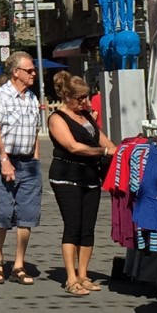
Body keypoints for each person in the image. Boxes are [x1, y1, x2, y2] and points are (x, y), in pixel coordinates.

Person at [48, 72, 116, 296]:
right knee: (73, 226)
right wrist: (104, 152)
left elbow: (103, 140)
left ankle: (83, 275)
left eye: (86, 97)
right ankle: (70, 278)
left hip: (89, 176)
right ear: (67, 96)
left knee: (88, 228)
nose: (84, 102)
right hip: (67, 175)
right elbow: (73, 146)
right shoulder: (57, 118)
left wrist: (118, 150)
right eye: (80, 98)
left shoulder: (87, 116)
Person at [0, 51, 43, 286]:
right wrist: (4, 159)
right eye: (29, 70)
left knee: (27, 213)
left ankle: (19, 263)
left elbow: (35, 130)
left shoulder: (31, 97)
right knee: (3, 210)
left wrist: (35, 157)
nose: (34, 74)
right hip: (3, 159)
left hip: (28, 162)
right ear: (16, 72)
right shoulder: (1, 96)